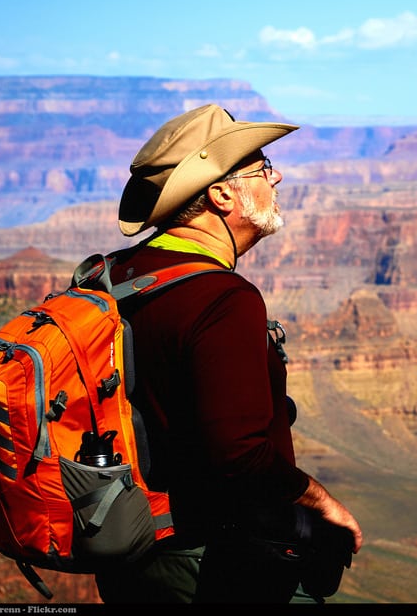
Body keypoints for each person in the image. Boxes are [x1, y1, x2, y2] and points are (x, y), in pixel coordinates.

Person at [93, 104, 363, 604]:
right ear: (221, 194)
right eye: (261, 168)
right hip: (213, 565)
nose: (276, 175)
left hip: (132, 556)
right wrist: (322, 503)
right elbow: (241, 457)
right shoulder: (222, 298)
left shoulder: (114, 276)